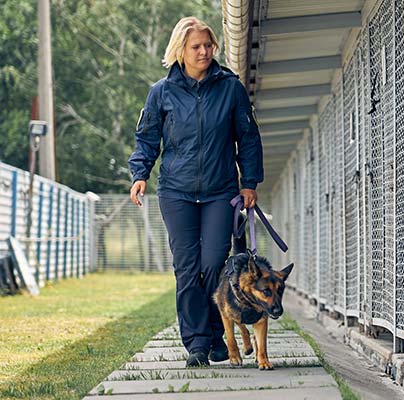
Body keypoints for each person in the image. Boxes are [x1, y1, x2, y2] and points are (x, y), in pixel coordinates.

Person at [127, 16, 263, 367]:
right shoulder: (162, 92)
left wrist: (249, 182)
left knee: (214, 263)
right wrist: (139, 173)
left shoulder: (230, 88)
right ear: (180, 51)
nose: (204, 51)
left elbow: (247, 137)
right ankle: (199, 344)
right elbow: (146, 138)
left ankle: (217, 334)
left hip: (220, 191)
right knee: (187, 268)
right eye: (196, 46)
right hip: (177, 192)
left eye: (208, 45)